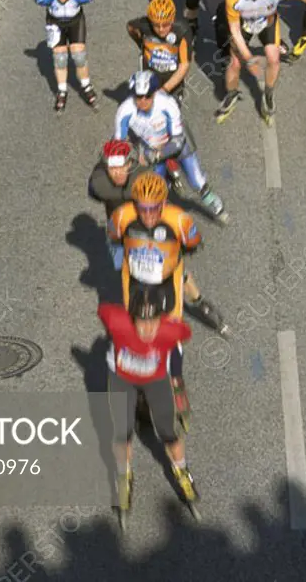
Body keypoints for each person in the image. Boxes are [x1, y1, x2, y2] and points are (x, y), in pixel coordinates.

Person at [89, 138, 228, 336]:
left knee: (177, 268)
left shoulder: (145, 179)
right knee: (125, 273)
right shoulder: (103, 187)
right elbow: (113, 233)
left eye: (121, 167)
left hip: (152, 231)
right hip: (126, 231)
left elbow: (157, 196)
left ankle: (199, 301)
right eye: (112, 168)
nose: (117, 173)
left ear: (130, 164)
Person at [106, 172, 201, 432]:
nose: (147, 215)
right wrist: (118, 261)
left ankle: (177, 382)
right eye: (142, 208)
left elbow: (194, 243)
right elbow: (112, 237)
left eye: (153, 208)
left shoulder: (180, 220)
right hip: (135, 286)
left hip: (166, 286)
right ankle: (141, 400)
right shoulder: (124, 216)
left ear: (163, 204)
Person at [98, 284, 199, 523]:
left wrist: (176, 378)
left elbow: (182, 341)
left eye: (153, 321)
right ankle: (124, 477)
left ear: (161, 318)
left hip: (155, 380)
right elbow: (103, 310)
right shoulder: (115, 320)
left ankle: (182, 471)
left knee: (167, 432)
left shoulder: (172, 331)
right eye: (140, 322)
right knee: (122, 433)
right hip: (122, 379)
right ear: (129, 317)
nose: (146, 329)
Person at [115, 71, 227, 222]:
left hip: (175, 144)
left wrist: (156, 155)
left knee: (196, 181)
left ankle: (215, 204)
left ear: (155, 93)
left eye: (147, 96)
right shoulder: (125, 111)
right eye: (137, 96)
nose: (142, 101)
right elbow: (119, 145)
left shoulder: (167, 104)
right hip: (151, 148)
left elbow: (178, 141)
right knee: (155, 191)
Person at [217, 0, 306, 125]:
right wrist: (249, 59)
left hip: (268, 24)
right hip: (245, 26)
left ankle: (268, 94)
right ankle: (231, 93)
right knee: (235, 62)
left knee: (274, 59)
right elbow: (235, 31)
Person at [34, 0, 98, 112]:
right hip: (56, 24)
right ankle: (62, 91)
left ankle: (86, 86)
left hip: (75, 22)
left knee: (79, 56)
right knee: (60, 58)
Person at [126, 0, 194, 101]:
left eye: (166, 24)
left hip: (172, 82)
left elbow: (184, 65)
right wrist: (141, 44)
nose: (161, 29)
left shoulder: (182, 31)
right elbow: (130, 27)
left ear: (172, 19)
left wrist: (164, 90)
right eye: (156, 25)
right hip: (149, 79)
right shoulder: (144, 26)